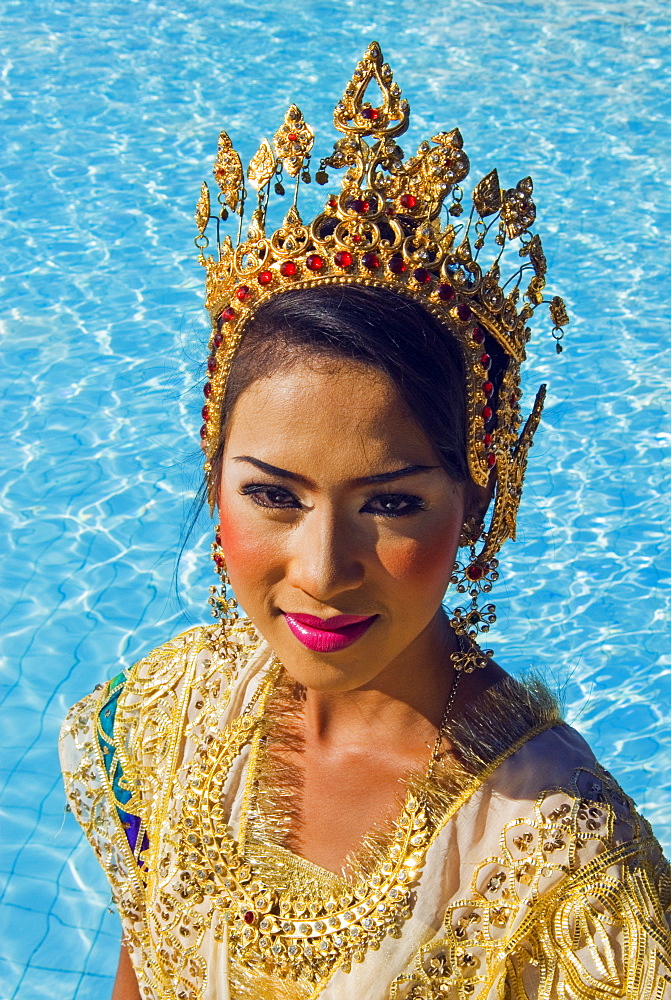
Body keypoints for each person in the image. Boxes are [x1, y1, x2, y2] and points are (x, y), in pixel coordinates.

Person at [60, 42, 671, 1000]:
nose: (321, 570)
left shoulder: (562, 862)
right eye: (274, 495)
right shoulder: (164, 722)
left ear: (480, 505)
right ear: (213, 481)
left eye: (389, 503)